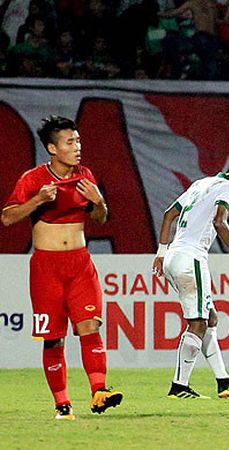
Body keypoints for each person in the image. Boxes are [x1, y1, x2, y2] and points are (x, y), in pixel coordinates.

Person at [1, 115, 122, 420]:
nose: (77, 147)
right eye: (70, 142)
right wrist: (38, 200)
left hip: (81, 263)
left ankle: (99, 392)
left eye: (78, 140)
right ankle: (62, 404)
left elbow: (99, 219)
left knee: (90, 327)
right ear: (53, 149)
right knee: (53, 337)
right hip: (47, 267)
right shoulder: (33, 179)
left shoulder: (85, 176)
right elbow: (7, 217)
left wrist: (100, 202)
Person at [152, 157, 229, 399]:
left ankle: (223, 381)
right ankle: (179, 386)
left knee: (209, 318)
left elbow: (168, 214)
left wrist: (161, 253)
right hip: (191, 257)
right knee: (198, 323)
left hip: (174, 255)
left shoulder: (202, 184)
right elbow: (219, 221)